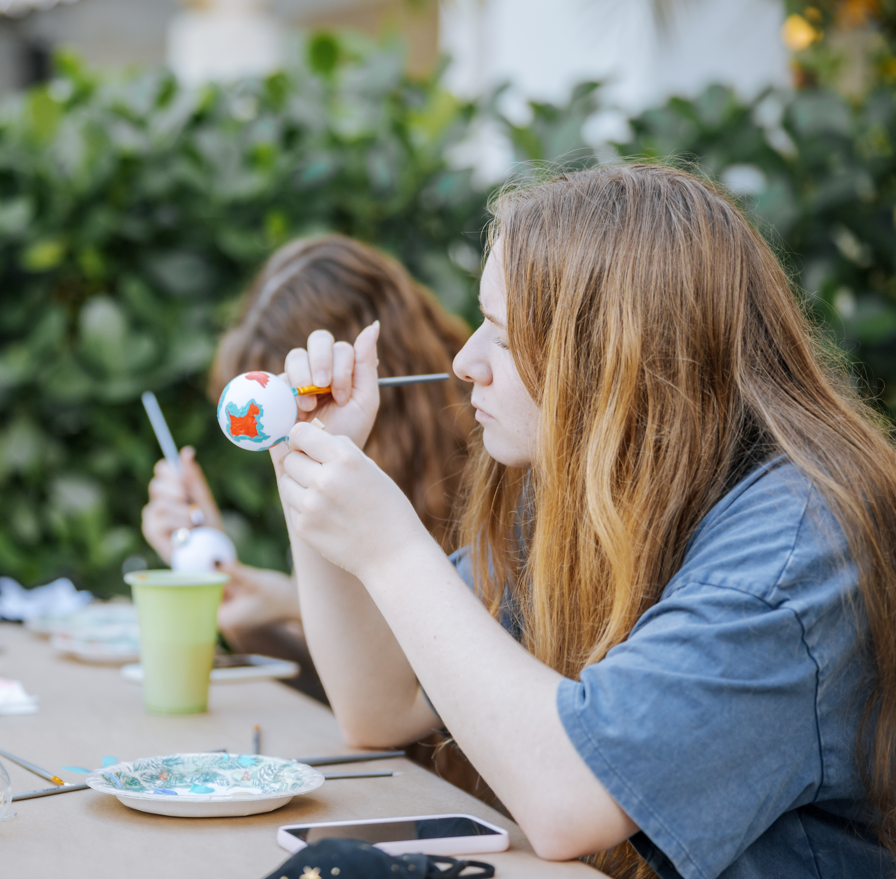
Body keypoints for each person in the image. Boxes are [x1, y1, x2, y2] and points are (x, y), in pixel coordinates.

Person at [271, 164, 896, 878]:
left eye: (502, 337)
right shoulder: (600, 488)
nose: (464, 361)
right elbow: (380, 705)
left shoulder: (797, 554)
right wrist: (311, 460)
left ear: (617, 359)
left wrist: (392, 550)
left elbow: (573, 799)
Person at [141, 235, 474, 703]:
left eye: (285, 410)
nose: (281, 435)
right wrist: (232, 581)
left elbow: (414, 710)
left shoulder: (491, 477)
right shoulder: (344, 469)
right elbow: (355, 699)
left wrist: (289, 603)